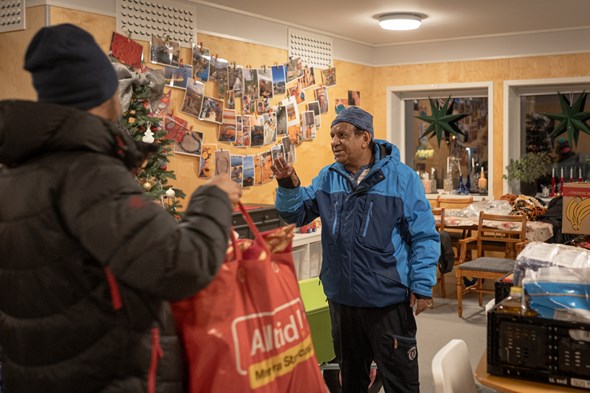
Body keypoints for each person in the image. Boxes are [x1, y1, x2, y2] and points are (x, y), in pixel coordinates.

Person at [0, 24, 242, 393]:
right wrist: (214, 199)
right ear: (103, 93)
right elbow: (181, 264)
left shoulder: (15, 174)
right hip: (109, 377)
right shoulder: (88, 174)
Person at [271, 106, 440, 393]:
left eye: (342, 135)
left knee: (401, 382)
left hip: (386, 303)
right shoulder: (328, 177)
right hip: (343, 302)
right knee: (351, 382)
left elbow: (424, 236)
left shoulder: (402, 178)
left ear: (365, 138)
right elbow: (297, 213)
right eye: (332, 135)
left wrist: (422, 286)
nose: (335, 141)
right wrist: (288, 183)